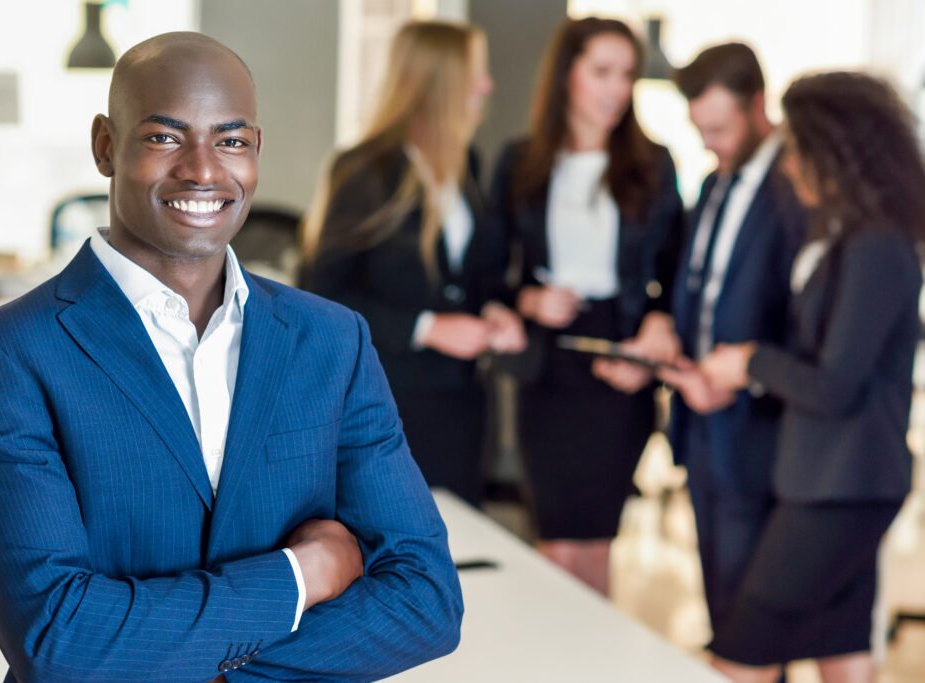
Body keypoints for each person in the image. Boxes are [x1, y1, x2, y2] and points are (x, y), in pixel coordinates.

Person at [0, 32, 462, 683]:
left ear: (255, 152)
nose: (204, 169)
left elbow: (426, 601)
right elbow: (58, 638)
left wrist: (195, 663)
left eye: (231, 140)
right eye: (165, 138)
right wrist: (301, 576)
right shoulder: (3, 355)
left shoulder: (332, 341)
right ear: (105, 144)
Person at [700, 71, 925, 683]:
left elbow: (833, 386)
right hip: (830, 480)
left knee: (741, 650)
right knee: (843, 649)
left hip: (844, 487)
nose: (788, 163)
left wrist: (749, 363)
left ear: (836, 154)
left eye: (798, 148)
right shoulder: (844, 237)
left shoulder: (878, 247)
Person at [490, 16, 684, 595]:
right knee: (553, 537)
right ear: (567, 74)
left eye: (626, 75)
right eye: (602, 71)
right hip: (547, 364)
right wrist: (528, 298)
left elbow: (676, 272)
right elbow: (488, 273)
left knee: (597, 539)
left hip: (619, 362)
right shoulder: (520, 161)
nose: (617, 89)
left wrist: (656, 324)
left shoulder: (654, 164)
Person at [303, 21, 525, 506]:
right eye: (476, 73)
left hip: (464, 402)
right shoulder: (364, 170)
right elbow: (322, 296)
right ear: (440, 81)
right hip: (390, 401)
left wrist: (495, 309)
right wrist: (427, 328)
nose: (487, 86)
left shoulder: (467, 163)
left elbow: (475, 278)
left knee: (455, 544)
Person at [656, 43, 805, 640]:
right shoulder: (714, 184)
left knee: (756, 621)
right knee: (722, 602)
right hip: (702, 427)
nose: (708, 142)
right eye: (700, 129)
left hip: (760, 430)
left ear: (758, 106)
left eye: (718, 128)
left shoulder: (798, 188)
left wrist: (745, 374)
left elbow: (807, 318)